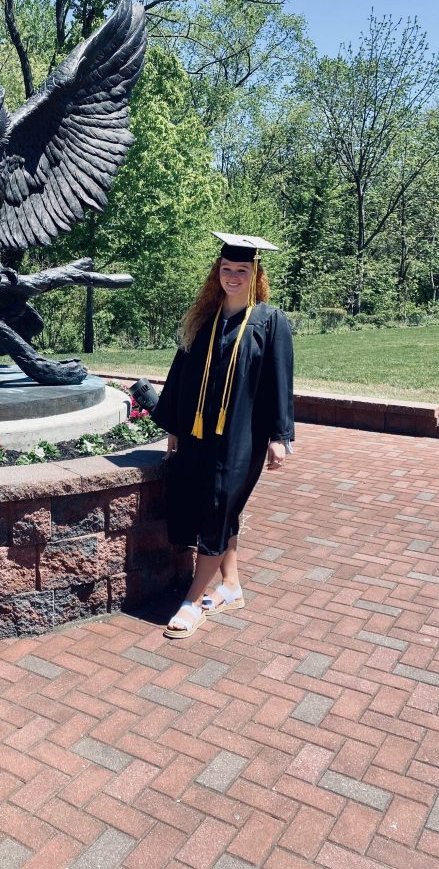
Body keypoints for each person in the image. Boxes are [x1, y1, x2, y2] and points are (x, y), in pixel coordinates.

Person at [151, 232, 294, 640]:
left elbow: (280, 381)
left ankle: (193, 602)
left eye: (242, 271)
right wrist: (176, 429)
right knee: (211, 504)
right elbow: (179, 377)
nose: (233, 276)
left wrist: (280, 436)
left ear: (255, 275)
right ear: (218, 273)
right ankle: (231, 586)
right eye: (227, 269)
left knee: (218, 504)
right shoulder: (204, 321)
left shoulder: (270, 321)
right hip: (198, 435)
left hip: (242, 437)